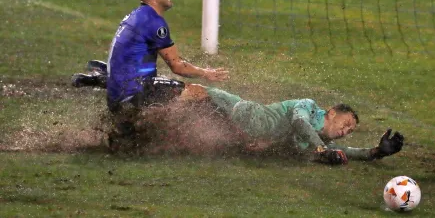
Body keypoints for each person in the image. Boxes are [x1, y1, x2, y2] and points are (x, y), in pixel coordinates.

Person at [72, 60, 404, 165]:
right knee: (181, 92)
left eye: (350, 130)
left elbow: (338, 151)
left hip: (230, 129)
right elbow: (302, 125)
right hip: (234, 109)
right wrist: (321, 149)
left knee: (166, 119)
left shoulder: (312, 142)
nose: (346, 132)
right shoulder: (308, 109)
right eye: (346, 124)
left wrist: (374, 153)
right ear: (331, 113)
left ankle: (125, 136)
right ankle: (109, 78)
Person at [73, 0, 228, 114]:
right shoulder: (154, 22)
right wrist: (206, 73)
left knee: (166, 89)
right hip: (136, 93)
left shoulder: (134, 16)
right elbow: (177, 66)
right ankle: (227, 136)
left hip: (116, 98)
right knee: (198, 93)